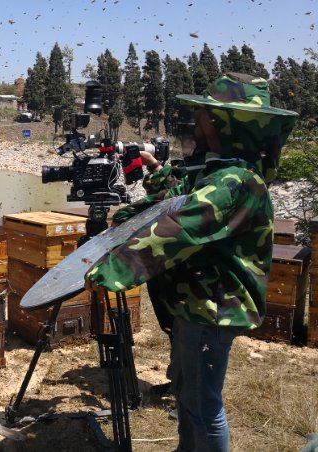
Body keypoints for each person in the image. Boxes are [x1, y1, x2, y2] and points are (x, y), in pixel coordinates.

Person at [85, 73, 298, 451]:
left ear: (223, 123)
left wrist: (114, 268)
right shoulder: (222, 170)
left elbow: (180, 227)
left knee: (203, 406)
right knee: (187, 396)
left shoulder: (234, 181)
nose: (196, 122)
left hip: (212, 308)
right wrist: (131, 212)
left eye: (203, 115)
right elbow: (176, 195)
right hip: (197, 305)